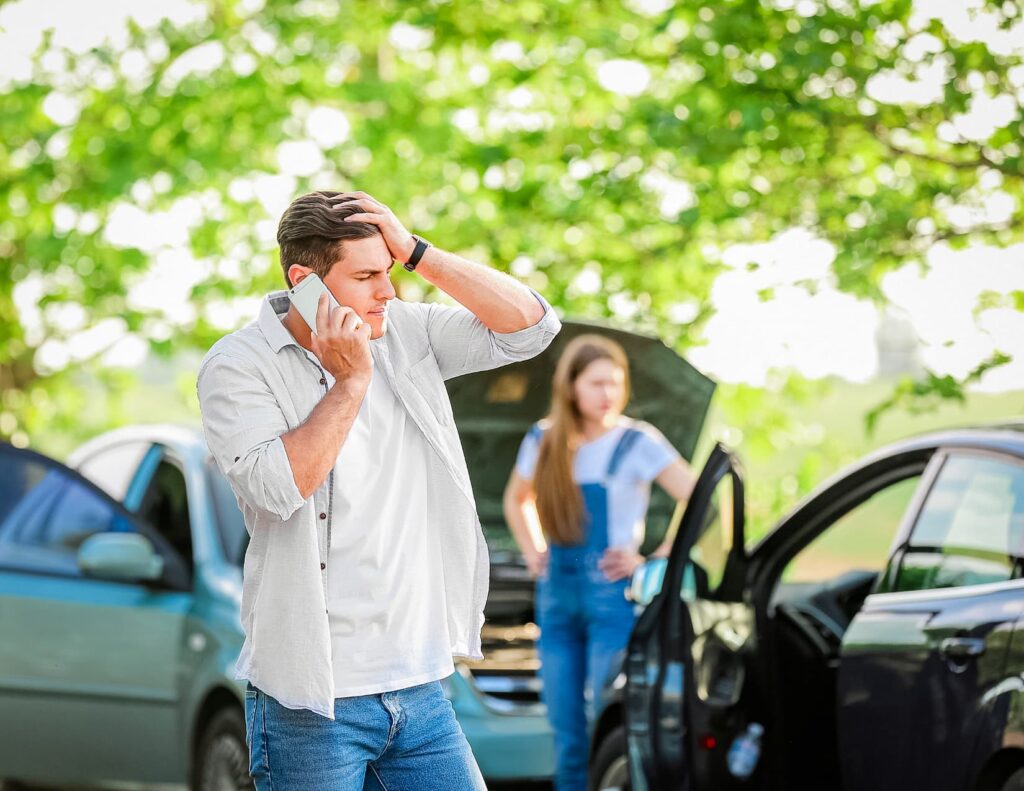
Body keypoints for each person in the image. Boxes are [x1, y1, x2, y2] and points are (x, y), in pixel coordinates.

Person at [196, 189, 561, 790]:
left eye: (389, 272)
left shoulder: (407, 331)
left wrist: (418, 252)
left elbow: (532, 328)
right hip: (312, 702)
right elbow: (279, 488)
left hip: (420, 687)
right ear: (304, 281)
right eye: (366, 276)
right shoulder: (239, 365)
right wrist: (351, 381)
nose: (387, 291)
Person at [502, 333, 697, 791]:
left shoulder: (638, 442)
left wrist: (655, 557)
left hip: (614, 603)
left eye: (615, 383)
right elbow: (517, 500)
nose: (608, 394)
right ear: (571, 387)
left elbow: (700, 498)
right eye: (596, 384)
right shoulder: (544, 438)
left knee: (606, 722)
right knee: (566, 729)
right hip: (557, 601)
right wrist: (534, 552)